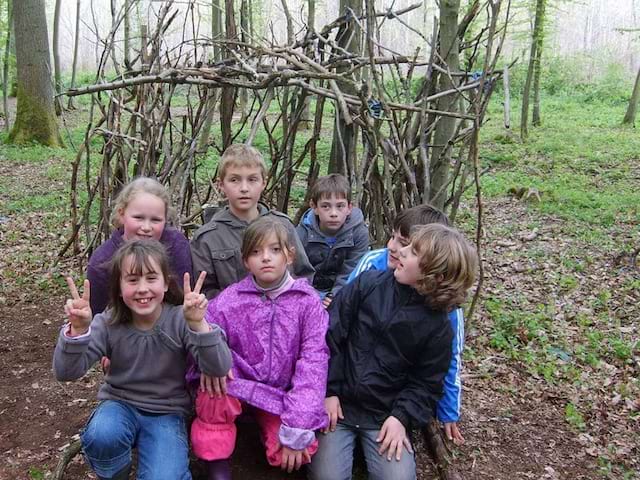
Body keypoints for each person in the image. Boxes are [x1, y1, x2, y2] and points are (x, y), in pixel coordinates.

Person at [308, 224, 478, 480]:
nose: (401, 251)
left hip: (383, 416)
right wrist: (328, 391)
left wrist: (401, 418)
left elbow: (427, 384)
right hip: (339, 406)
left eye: (413, 252)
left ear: (435, 275)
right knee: (326, 476)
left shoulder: (439, 327)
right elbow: (328, 336)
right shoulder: (368, 285)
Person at [54, 241, 232, 480]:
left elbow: (219, 366)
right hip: (119, 403)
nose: (142, 288)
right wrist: (77, 332)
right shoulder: (109, 322)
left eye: (151, 278)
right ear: (118, 287)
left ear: (166, 283)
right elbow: (66, 372)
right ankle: (115, 472)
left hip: (166, 412)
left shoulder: (181, 318)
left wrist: (199, 325)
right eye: (132, 280)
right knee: (102, 435)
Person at [190, 217, 329, 480]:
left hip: (279, 394)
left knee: (292, 452)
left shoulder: (307, 302)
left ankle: (273, 434)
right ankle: (216, 465)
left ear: (289, 255)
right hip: (237, 383)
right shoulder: (231, 299)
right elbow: (206, 335)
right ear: (245, 261)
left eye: (274, 250)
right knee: (213, 390)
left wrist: (298, 423)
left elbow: (314, 362)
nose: (265, 258)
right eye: (256, 252)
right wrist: (210, 363)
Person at [347, 204, 466, 445]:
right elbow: (341, 320)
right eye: (393, 237)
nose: (393, 247)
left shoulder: (444, 309)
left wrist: (448, 410)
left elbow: (449, 357)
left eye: (404, 244)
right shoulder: (372, 265)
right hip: (350, 382)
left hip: (394, 395)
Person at [190, 144, 314, 299]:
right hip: (229, 320)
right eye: (234, 180)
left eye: (252, 179)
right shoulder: (207, 238)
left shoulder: (283, 226)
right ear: (221, 184)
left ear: (264, 183)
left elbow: (303, 275)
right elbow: (204, 291)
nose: (244, 188)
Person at [87, 177, 192, 314]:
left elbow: (185, 298)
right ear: (122, 214)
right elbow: (96, 316)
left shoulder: (176, 245)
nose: (146, 227)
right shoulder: (102, 261)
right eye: (138, 218)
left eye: (155, 220)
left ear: (165, 219)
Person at [296, 174, 369, 307]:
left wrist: (335, 295)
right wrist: (310, 295)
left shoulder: (359, 233)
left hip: (344, 289)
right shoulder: (302, 233)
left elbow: (353, 268)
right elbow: (298, 268)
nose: (333, 213)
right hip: (308, 289)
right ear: (314, 207)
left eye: (340, 206)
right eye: (326, 206)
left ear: (349, 208)